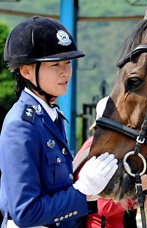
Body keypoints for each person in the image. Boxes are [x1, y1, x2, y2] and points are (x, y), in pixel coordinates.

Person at [0, 16, 118, 228]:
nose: (65, 72)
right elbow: (25, 212)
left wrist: (91, 192)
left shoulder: (51, 117)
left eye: (68, 63)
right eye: (55, 64)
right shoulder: (21, 124)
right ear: (26, 70)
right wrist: (82, 192)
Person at [73, 97, 147, 228]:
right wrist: (137, 187)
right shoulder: (100, 154)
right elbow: (104, 207)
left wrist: (136, 203)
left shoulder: (95, 147)